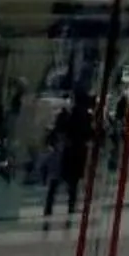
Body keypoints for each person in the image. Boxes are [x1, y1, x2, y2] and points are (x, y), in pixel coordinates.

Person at [40, 88, 96, 225]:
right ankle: (70, 209)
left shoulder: (65, 114)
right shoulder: (85, 116)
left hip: (63, 152)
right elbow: (90, 134)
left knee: (55, 183)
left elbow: (55, 132)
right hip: (77, 153)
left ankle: (48, 210)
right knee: (72, 185)